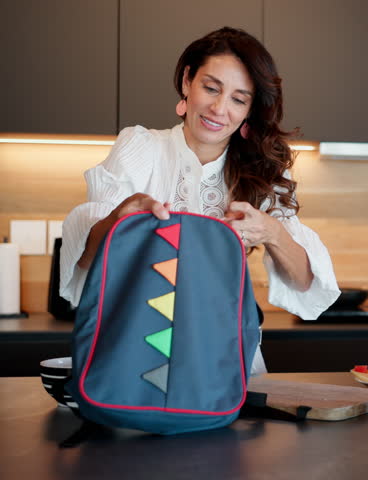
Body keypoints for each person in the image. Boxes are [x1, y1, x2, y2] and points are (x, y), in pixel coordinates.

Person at [60, 27, 341, 374]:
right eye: (211, 88)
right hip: (137, 349)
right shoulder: (141, 147)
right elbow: (85, 259)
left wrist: (271, 231)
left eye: (239, 99)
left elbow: (305, 283)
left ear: (250, 111)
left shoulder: (259, 175)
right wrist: (118, 218)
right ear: (187, 82)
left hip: (225, 357)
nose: (219, 108)